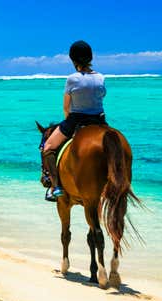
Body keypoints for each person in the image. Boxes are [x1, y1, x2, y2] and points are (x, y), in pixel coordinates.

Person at [41, 40, 107, 202]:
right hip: (100, 121)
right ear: (90, 57)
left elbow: (66, 107)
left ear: (73, 59)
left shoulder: (72, 79)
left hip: (77, 119)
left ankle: (55, 187)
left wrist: (67, 122)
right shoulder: (101, 77)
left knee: (48, 147)